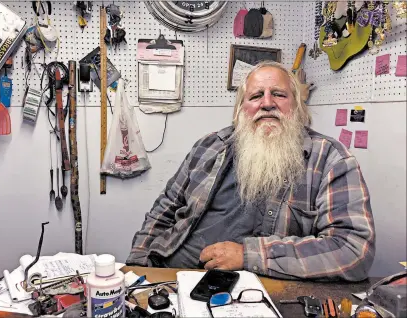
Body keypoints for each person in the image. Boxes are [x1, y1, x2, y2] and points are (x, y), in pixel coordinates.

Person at [126, 61, 375, 281]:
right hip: (171, 272)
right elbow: (166, 207)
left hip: (251, 287)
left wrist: (250, 255)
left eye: (279, 94)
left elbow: (352, 249)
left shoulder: (331, 159)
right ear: (240, 109)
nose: (267, 103)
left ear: (298, 106)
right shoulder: (208, 146)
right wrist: (137, 262)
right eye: (256, 96)